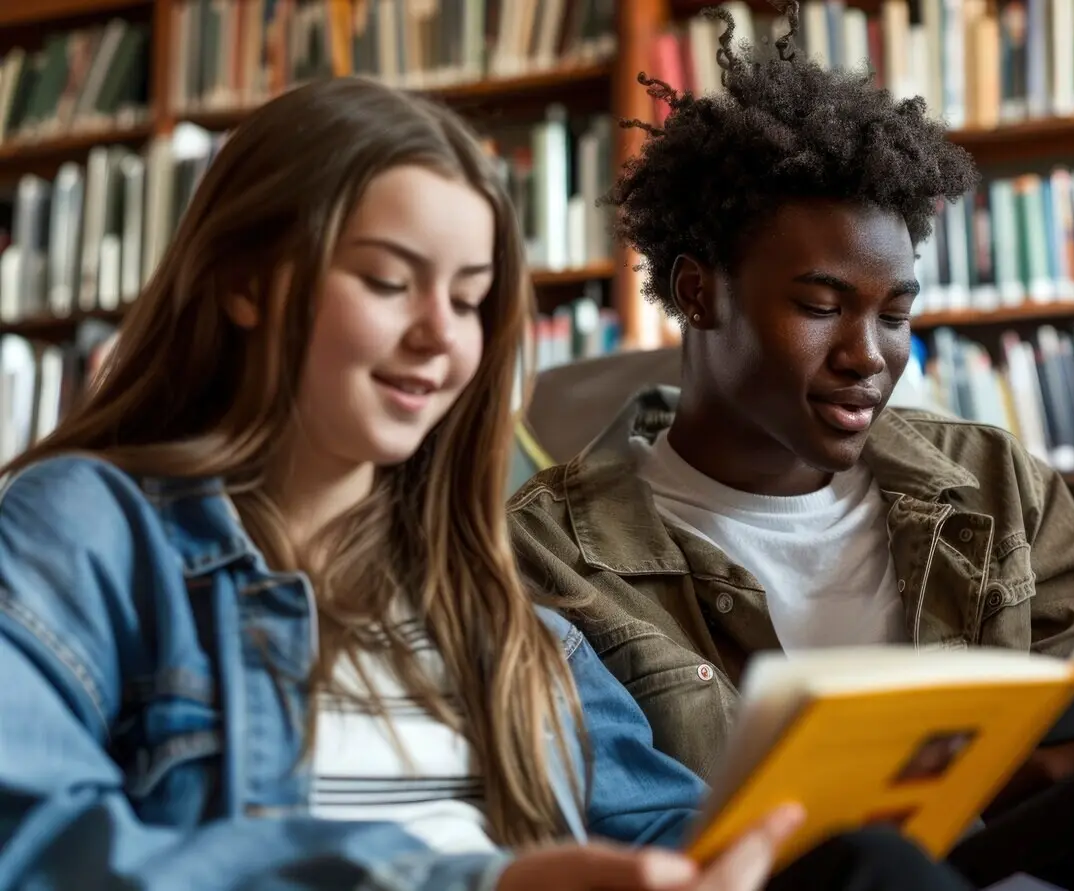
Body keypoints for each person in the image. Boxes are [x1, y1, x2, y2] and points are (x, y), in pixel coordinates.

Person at [0, 75, 999, 891]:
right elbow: (36, 846)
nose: (441, 337)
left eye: (472, 300)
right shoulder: (84, 531)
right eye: (390, 282)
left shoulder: (491, 596)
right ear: (247, 283)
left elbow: (670, 828)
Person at [505, 2, 1074, 889]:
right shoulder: (552, 554)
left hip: (1040, 863)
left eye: (896, 313)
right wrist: (980, 796)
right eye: (820, 305)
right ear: (698, 293)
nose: (869, 356)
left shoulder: (998, 485)